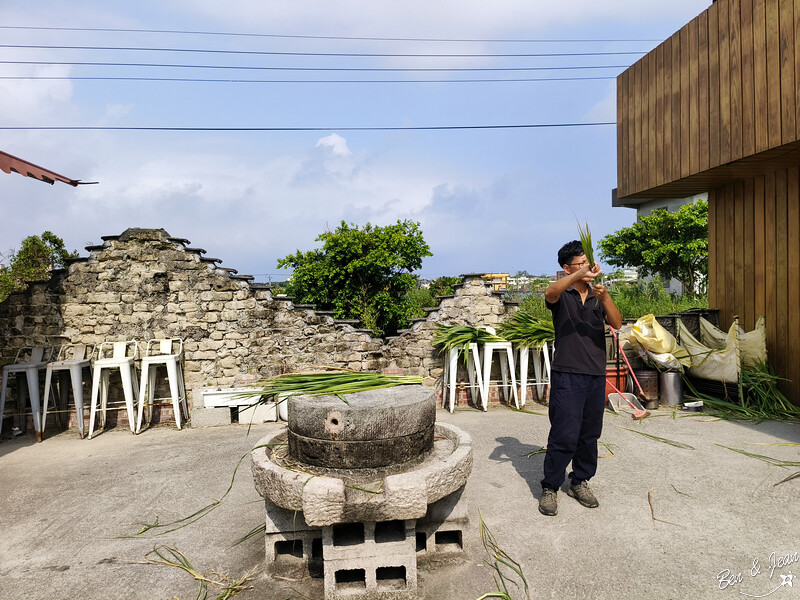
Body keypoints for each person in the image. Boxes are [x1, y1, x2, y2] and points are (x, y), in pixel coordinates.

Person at [538, 240, 622, 516]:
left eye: (588, 262)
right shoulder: (562, 295)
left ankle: (580, 481)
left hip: (595, 374)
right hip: (568, 373)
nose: (588, 267)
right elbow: (550, 292)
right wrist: (578, 274)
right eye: (581, 263)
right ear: (567, 267)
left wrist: (606, 297)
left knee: (589, 434)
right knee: (564, 432)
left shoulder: (597, 296)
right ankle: (550, 486)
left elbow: (617, 324)